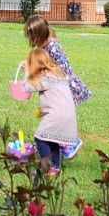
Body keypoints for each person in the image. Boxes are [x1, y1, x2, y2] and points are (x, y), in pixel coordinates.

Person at [24, 14, 90, 160]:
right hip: (58, 85)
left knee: (60, 115)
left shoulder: (52, 46)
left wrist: (31, 69)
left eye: (31, 35)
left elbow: (59, 68)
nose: (30, 39)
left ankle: (70, 143)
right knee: (58, 117)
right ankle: (61, 146)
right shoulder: (45, 45)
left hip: (65, 85)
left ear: (39, 33)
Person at [22, 45, 79, 174]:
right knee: (53, 139)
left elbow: (26, 87)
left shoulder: (44, 78)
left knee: (40, 138)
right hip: (68, 117)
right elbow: (55, 98)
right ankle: (55, 167)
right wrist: (42, 110)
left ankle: (46, 166)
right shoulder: (58, 75)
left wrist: (26, 70)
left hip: (57, 117)